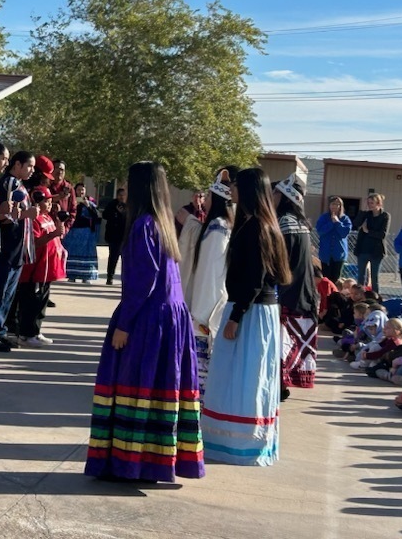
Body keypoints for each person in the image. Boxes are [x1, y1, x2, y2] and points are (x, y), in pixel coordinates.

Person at [83, 161, 204, 483]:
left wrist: (124, 325)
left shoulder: (143, 225)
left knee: (136, 384)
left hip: (148, 318)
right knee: (159, 388)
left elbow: (143, 280)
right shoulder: (164, 223)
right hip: (172, 316)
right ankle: (153, 462)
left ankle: (131, 463)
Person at [201, 167, 291, 466]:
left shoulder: (257, 227)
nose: (232, 190)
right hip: (253, 309)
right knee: (239, 375)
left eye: (237, 186)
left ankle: (241, 442)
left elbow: (256, 277)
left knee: (244, 377)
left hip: (250, 311)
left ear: (250, 190)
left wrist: (236, 316)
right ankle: (230, 440)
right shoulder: (257, 224)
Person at [184, 168, 235, 396]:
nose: (205, 200)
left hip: (207, 308)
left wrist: (201, 313)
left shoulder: (218, 229)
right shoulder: (217, 226)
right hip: (207, 305)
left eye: (209, 195)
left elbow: (211, 276)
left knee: (202, 370)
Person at [0, 151, 37, 353]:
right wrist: (26, 214)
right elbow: (4, 215)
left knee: (8, 294)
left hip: (18, 248)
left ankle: (0, 330)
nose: (32, 170)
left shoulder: (20, 184)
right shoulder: (8, 183)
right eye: (29, 166)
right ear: (17, 165)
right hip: (6, 247)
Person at [273, 174, 320, 397]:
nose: (272, 197)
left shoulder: (284, 223)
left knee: (282, 343)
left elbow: (280, 263)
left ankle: (279, 383)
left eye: (275, 193)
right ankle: (282, 383)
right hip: (303, 293)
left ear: (285, 197)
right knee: (288, 342)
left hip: (288, 293)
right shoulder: (301, 223)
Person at [16, 186, 65, 347]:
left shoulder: (48, 217)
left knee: (41, 302)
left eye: (50, 201)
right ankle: (26, 333)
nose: (49, 204)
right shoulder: (34, 219)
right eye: (46, 201)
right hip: (35, 270)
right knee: (32, 302)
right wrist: (53, 234)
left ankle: (35, 331)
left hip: (47, 269)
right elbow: (34, 243)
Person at [63, 182, 100, 282]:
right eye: (78, 189)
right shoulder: (71, 201)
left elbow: (96, 216)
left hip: (86, 233)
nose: (81, 191)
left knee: (86, 254)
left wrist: (88, 206)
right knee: (72, 252)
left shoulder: (90, 202)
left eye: (82, 189)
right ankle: (72, 275)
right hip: (73, 232)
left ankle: (86, 276)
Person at [353, 193, 390, 293]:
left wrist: (368, 231)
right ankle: (360, 296)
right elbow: (356, 224)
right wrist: (363, 211)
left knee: (374, 277)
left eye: (372, 203)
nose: (370, 205)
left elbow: (382, 234)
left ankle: (374, 297)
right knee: (361, 276)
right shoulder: (366, 215)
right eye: (368, 203)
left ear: (378, 203)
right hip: (363, 250)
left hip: (376, 251)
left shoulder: (385, 216)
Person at [315, 197, 352, 282]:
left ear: (340, 206)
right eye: (332, 204)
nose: (334, 206)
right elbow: (320, 231)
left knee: (336, 279)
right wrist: (331, 223)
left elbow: (344, 233)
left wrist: (338, 222)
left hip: (339, 254)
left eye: (337, 204)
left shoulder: (345, 219)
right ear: (329, 205)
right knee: (326, 279)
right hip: (326, 254)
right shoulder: (324, 218)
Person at [102, 188, 126, 285]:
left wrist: (123, 213)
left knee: (126, 259)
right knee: (113, 257)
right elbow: (105, 215)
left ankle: (125, 278)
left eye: (123, 195)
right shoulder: (112, 204)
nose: (121, 197)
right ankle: (110, 277)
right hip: (113, 235)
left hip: (125, 236)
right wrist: (114, 213)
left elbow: (131, 218)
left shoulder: (129, 205)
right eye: (120, 195)